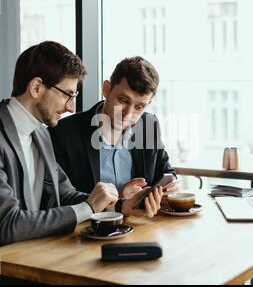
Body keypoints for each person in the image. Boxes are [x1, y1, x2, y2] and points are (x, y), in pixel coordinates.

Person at [0, 42, 161, 285]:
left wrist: (120, 207)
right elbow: (10, 225)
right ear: (37, 87)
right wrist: (89, 208)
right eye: (67, 95)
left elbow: (65, 193)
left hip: (28, 263)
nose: (71, 106)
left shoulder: (40, 133)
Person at [49, 56, 176, 216]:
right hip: (88, 231)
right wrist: (119, 199)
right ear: (106, 89)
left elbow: (165, 171)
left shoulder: (148, 126)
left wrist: (169, 185)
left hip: (140, 226)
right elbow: (60, 198)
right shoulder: (64, 133)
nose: (128, 114)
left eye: (139, 107)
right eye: (123, 100)